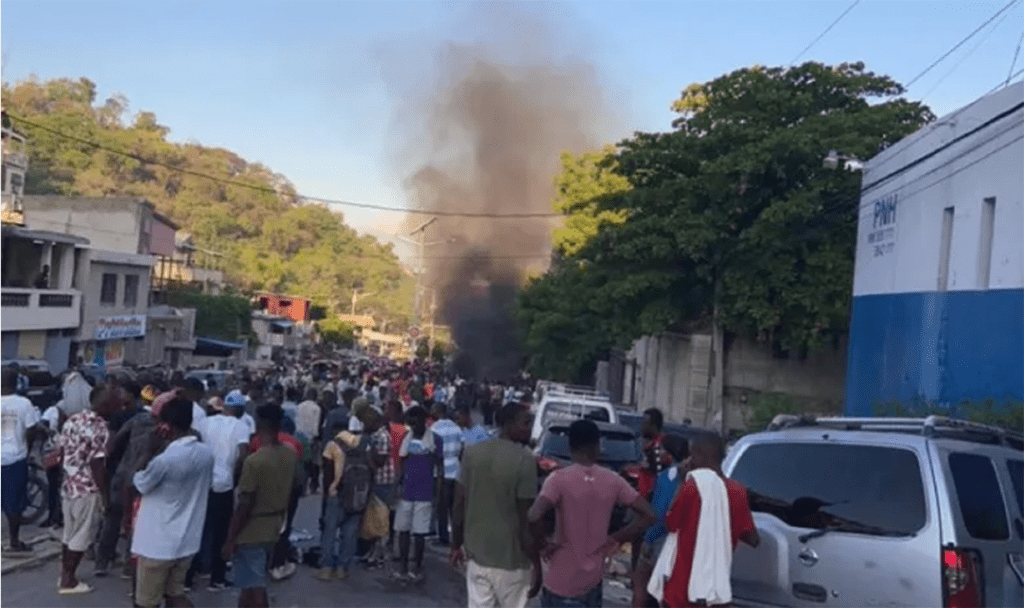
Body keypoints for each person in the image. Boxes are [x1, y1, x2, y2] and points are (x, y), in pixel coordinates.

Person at [528, 419, 655, 608]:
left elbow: (533, 516)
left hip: (560, 581)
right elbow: (649, 515)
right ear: (597, 446)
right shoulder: (613, 480)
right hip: (592, 583)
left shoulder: (558, 480)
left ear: (571, 446)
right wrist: (615, 538)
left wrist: (543, 544)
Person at [451, 402, 540, 608]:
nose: (529, 429)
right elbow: (526, 519)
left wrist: (456, 544)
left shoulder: (472, 454)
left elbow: (459, 505)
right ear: (509, 424)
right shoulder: (525, 460)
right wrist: (537, 563)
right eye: (525, 423)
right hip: (513, 562)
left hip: (477, 558)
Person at [131, 397, 215, 608]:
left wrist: (148, 451)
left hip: (157, 544)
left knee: (145, 602)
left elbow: (139, 483)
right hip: (187, 540)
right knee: (175, 594)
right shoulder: (206, 453)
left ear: (167, 425)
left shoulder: (164, 461)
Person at [661, 434, 760, 608]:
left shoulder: (691, 487)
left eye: (691, 455)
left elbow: (670, 524)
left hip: (682, 590)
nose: (689, 460)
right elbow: (753, 539)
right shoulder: (737, 491)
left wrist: (682, 482)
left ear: (700, 456)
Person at [222, 404, 297, 608]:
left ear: (259, 424)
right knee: (250, 586)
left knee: (254, 587)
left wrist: (230, 539)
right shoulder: (289, 454)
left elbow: (244, 505)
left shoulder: (254, 462)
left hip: (252, 530)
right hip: (275, 526)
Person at [57, 385, 123, 594]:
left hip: (69, 485)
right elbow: (97, 465)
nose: (119, 407)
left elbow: (62, 452)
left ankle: (65, 574)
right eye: (116, 403)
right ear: (106, 405)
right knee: (82, 536)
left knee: (69, 533)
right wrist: (104, 496)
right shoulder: (100, 428)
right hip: (87, 487)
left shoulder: (73, 420)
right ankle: (69, 580)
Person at [185, 396, 250, 591]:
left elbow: (193, 442)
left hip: (202, 481)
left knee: (198, 528)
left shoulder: (205, 422)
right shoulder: (241, 426)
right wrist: (236, 478)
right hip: (224, 484)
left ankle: (189, 577)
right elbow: (244, 454)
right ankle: (217, 578)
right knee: (221, 532)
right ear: (240, 410)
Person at [316, 407, 381, 581]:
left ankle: (327, 567)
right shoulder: (364, 443)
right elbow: (373, 466)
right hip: (358, 494)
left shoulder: (332, 445)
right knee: (350, 532)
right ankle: (342, 568)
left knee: (330, 531)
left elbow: (327, 473)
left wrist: (327, 493)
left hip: (337, 493)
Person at [633, 434, 690, 608]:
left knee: (641, 590)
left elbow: (658, 511)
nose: (660, 453)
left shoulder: (666, 476)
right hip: (671, 541)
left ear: (670, 454)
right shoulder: (688, 480)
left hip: (657, 538)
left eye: (663, 450)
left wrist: (647, 536)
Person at [393, 405, 438, 582]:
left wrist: (437, 490)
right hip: (408, 491)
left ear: (423, 421)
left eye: (416, 421)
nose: (414, 425)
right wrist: (396, 486)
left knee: (418, 533)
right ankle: (405, 566)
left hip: (423, 492)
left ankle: (416, 566)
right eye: (412, 422)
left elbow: (438, 466)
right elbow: (401, 464)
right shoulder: (408, 437)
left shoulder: (433, 439)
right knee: (404, 530)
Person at [1, 368, 42, 552]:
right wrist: (27, 447)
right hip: (15, 459)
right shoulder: (24, 404)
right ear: (16, 382)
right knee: (14, 504)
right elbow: (32, 429)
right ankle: (14, 541)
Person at [429, 402, 463, 547]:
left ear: (437, 412)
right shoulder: (457, 428)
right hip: (456, 470)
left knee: (441, 507)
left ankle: (443, 537)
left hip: (441, 472)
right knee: (454, 508)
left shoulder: (434, 428)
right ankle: (457, 538)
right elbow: (462, 449)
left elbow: (432, 451)